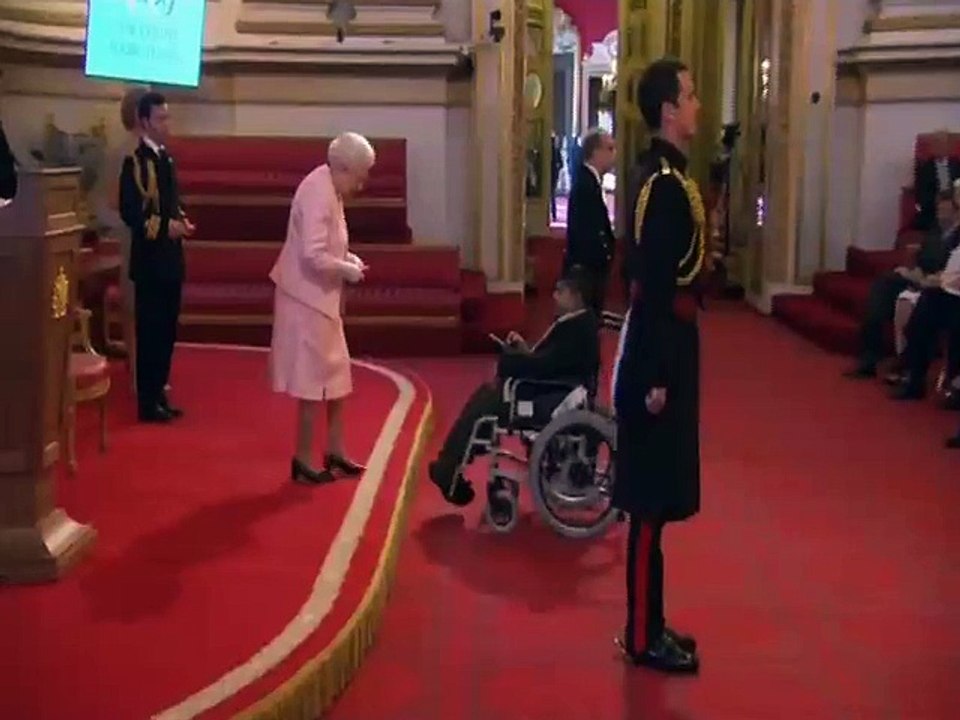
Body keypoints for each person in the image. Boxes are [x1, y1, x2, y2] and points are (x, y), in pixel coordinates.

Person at [611, 57, 716, 674]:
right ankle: (642, 636)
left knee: (659, 502)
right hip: (659, 351)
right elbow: (648, 283)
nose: (699, 104)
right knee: (649, 507)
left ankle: (651, 621)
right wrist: (651, 376)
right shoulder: (661, 184)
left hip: (673, 344)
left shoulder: (672, 179)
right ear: (669, 111)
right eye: (693, 93)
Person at [428, 267, 600, 506]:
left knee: (485, 404)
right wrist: (523, 351)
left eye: (560, 292)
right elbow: (550, 363)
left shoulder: (577, 328)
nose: (554, 296)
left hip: (548, 398)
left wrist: (510, 360)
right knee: (485, 398)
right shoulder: (577, 323)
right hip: (549, 388)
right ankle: (449, 466)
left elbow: (547, 368)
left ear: (576, 296)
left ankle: (448, 468)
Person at [269, 132, 374, 484]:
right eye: (360, 174)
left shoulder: (332, 187)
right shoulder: (317, 190)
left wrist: (349, 259)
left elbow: (332, 245)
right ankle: (302, 458)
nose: (363, 183)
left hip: (323, 299)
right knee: (312, 384)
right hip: (306, 299)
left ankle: (335, 450)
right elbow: (312, 254)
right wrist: (347, 270)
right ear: (342, 167)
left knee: (337, 376)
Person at [119, 91, 194, 423]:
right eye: (161, 118)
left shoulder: (166, 159)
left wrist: (180, 221)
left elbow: (168, 202)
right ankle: (147, 402)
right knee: (150, 332)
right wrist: (167, 228)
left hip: (171, 261)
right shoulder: (134, 163)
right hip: (150, 262)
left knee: (166, 331)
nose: (167, 124)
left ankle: (160, 393)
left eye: (168, 117)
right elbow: (132, 212)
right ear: (145, 122)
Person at [846, 191, 959, 379]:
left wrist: (924, 277)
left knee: (923, 305)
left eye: (945, 210)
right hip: (921, 277)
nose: (940, 214)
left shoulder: (957, 236)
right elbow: (924, 258)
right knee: (884, 284)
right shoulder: (935, 231)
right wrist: (912, 272)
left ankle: (907, 366)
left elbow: (949, 271)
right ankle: (870, 357)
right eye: (939, 209)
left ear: (955, 211)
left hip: (942, 286)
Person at [564, 129, 617, 314]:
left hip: (590, 269)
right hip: (587, 271)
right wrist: (603, 255)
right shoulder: (585, 184)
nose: (614, 155)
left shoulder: (590, 181)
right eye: (609, 149)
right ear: (595, 152)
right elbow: (586, 231)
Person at [913, 130, 959, 231]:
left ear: (949, 146)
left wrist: (954, 202)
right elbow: (920, 197)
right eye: (936, 143)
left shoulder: (957, 165)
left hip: (955, 209)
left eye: (942, 143)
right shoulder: (924, 168)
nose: (939, 147)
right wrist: (936, 201)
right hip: (933, 212)